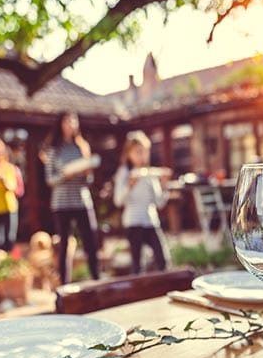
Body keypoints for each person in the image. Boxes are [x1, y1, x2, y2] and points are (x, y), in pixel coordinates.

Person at [43, 112, 100, 282]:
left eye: (74, 121)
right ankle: (64, 284)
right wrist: (64, 175)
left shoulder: (82, 147)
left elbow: (89, 180)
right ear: (61, 124)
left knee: (91, 242)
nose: (71, 124)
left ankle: (96, 278)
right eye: (67, 121)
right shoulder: (54, 149)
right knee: (64, 245)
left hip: (82, 200)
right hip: (62, 203)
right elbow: (49, 179)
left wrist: (85, 173)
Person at [113, 131, 170, 274]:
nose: (141, 155)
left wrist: (164, 186)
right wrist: (129, 186)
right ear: (129, 153)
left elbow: (160, 203)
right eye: (137, 152)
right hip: (133, 222)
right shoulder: (124, 173)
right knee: (137, 264)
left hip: (150, 221)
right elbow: (118, 201)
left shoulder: (150, 174)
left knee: (162, 260)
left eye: (144, 152)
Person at [0, 138, 24, 248]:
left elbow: (18, 189)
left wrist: (3, 181)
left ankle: (9, 261)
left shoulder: (11, 169)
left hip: (9, 206)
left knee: (10, 238)